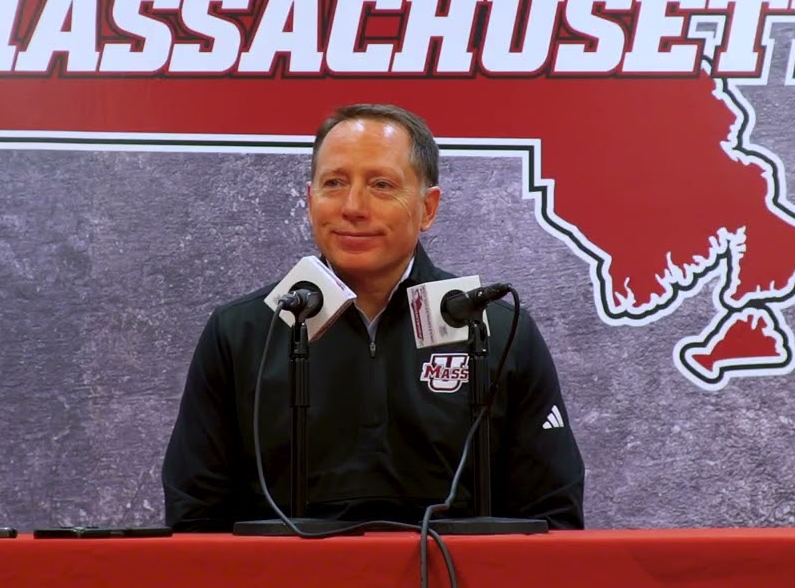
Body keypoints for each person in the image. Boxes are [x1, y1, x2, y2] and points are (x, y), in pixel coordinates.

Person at [162, 103, 585, 531]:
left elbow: (552, 517)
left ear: (428, 208)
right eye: (334, 183)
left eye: (382, 185)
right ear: (310, 201)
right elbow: (194, 518)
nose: (353, 206)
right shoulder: (243, 332)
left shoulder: (495, 330)